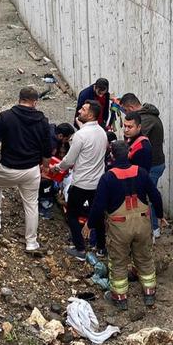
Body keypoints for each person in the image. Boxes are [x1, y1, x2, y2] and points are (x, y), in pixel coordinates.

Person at [85, 140, 165, 310]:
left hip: (119, 228)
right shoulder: (142, 173)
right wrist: (160, 215)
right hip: (142, 225)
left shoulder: (108, 178)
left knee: (119, 262)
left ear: (112, 156)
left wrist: (90, 224)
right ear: (128, 154)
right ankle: (149, 293)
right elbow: (155, 195)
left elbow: (98, 205)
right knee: (144, 258)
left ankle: (120, 297)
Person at [0, 86, 52, 251]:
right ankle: (31, 242)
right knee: (31, 204)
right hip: (31, 171)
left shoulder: (6, 117)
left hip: (8, 168)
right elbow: (47, 148)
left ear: (19, 99)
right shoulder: (43, 121)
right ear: (35, 102)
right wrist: (45, 167)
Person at [52, 100, 108, 260]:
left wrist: (57, 167)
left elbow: (69, 160)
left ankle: (80, 249)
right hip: (97, 182)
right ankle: (101, 248)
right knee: (96, 215)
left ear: (90, 114)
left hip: (81, 182)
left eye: (83, 110)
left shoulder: (81, 135)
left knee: (72, 215)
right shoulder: (102, 132)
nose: (79, 112)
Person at [119, 93, 165, 239]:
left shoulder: (145, 121)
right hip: (154, 163)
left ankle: (154, 229)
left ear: (131, 107)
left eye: (125, 111)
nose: (126, 128)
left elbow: (132, 142)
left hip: (153, 165)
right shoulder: (147, 116)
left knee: (147, 197)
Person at [38, 122, 75, 218]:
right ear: (60, 135)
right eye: (66, 139)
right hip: (36, 165)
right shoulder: (51, 143)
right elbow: (43, 158)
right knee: (46, 181)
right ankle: (43, 203)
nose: (66, 141)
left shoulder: (50, 131)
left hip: (38, 163)